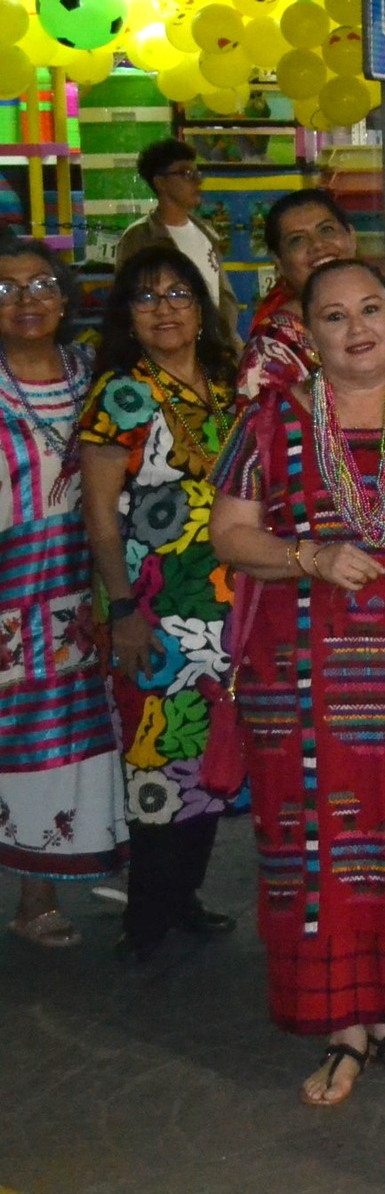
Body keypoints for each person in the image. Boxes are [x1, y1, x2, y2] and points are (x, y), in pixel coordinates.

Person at [210, 257, 385, 1107]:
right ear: (308, 332)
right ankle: (342, 1025)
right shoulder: (269, 421)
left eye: (371, 308)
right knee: (318, 851)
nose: (356, 327)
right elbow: (231, 533)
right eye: (334, 316)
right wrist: (307, 555)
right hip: (302, 676)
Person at [78, 246, 240, 962]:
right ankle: (146, 915)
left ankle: (184, 897)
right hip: (153, 608)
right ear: (127, 316)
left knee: (208, 753)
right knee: (157, 755)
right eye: (146, 298)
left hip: (228, 604)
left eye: (179, 293)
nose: (165, 309)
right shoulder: (121, 395)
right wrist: (123, 608)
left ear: (201, 307)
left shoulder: (231, 384)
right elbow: (100, 516)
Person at [0, 240, 126, 947]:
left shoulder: (92, 372)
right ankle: (33, 893)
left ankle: (61, 881)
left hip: (88, 583)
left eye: (41, 284)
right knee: (17, 734)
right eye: (5, 289)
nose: (26, 300)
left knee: (82, 731)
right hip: (10, 585)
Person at [239, 189, 385, 402]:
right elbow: (263, 422)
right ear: (279, 262)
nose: (318, 245)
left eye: (327, 230)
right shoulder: (271, 347)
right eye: (297, 240)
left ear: (351, 237)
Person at [116, 138, 234, 335]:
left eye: (197, 173)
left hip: (211, 345)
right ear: (160, 182)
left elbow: (224, 299)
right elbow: (125, 303)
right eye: (186, 173)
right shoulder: (140, 237)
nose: (197, 181)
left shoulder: (206, 232)